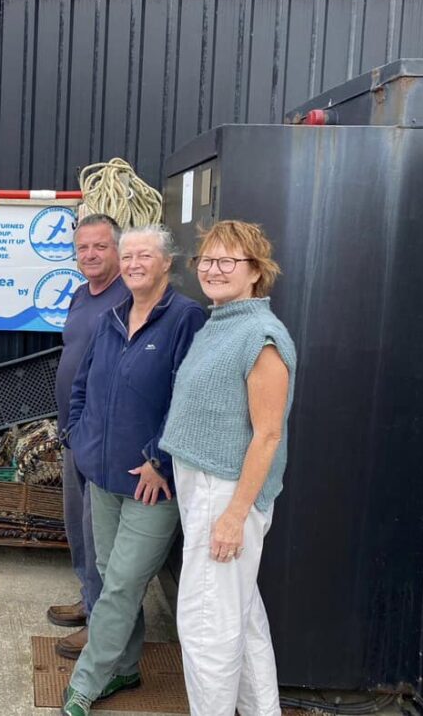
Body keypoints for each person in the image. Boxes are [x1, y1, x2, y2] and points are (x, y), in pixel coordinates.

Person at [61, 226, 206, 716]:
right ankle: (125, 664)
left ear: (167, 262)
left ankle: (86, 682)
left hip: (151, 485)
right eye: (128, 256)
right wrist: (81, 440)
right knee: (107, 572)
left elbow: (189, 401)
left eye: (144, 255)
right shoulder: (113, 316)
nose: (133, 263)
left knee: (122, 583)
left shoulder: (185, 318)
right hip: (101, 476)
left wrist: (158, 459)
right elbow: (84, 384)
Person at [159, 220, 296, 716]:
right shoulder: (220, 322)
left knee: (206, 625)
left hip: (228, 493)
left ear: (255, 271)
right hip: (205, 487)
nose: (213, 270)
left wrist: (235, 515)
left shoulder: (261, 337)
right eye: (207, 261)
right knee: (240, 613)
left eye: (228, 261)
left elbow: (268, 434)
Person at [48, 213, 128, 659]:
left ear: (117, 250)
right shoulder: (82, 295)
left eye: (100, 246)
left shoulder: (129, 298)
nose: (90, 255)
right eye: (82, 248)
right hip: (72, 431)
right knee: (78, 527)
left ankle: (102, 625)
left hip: (101, 437)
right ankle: (88, 598)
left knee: (101, 535)